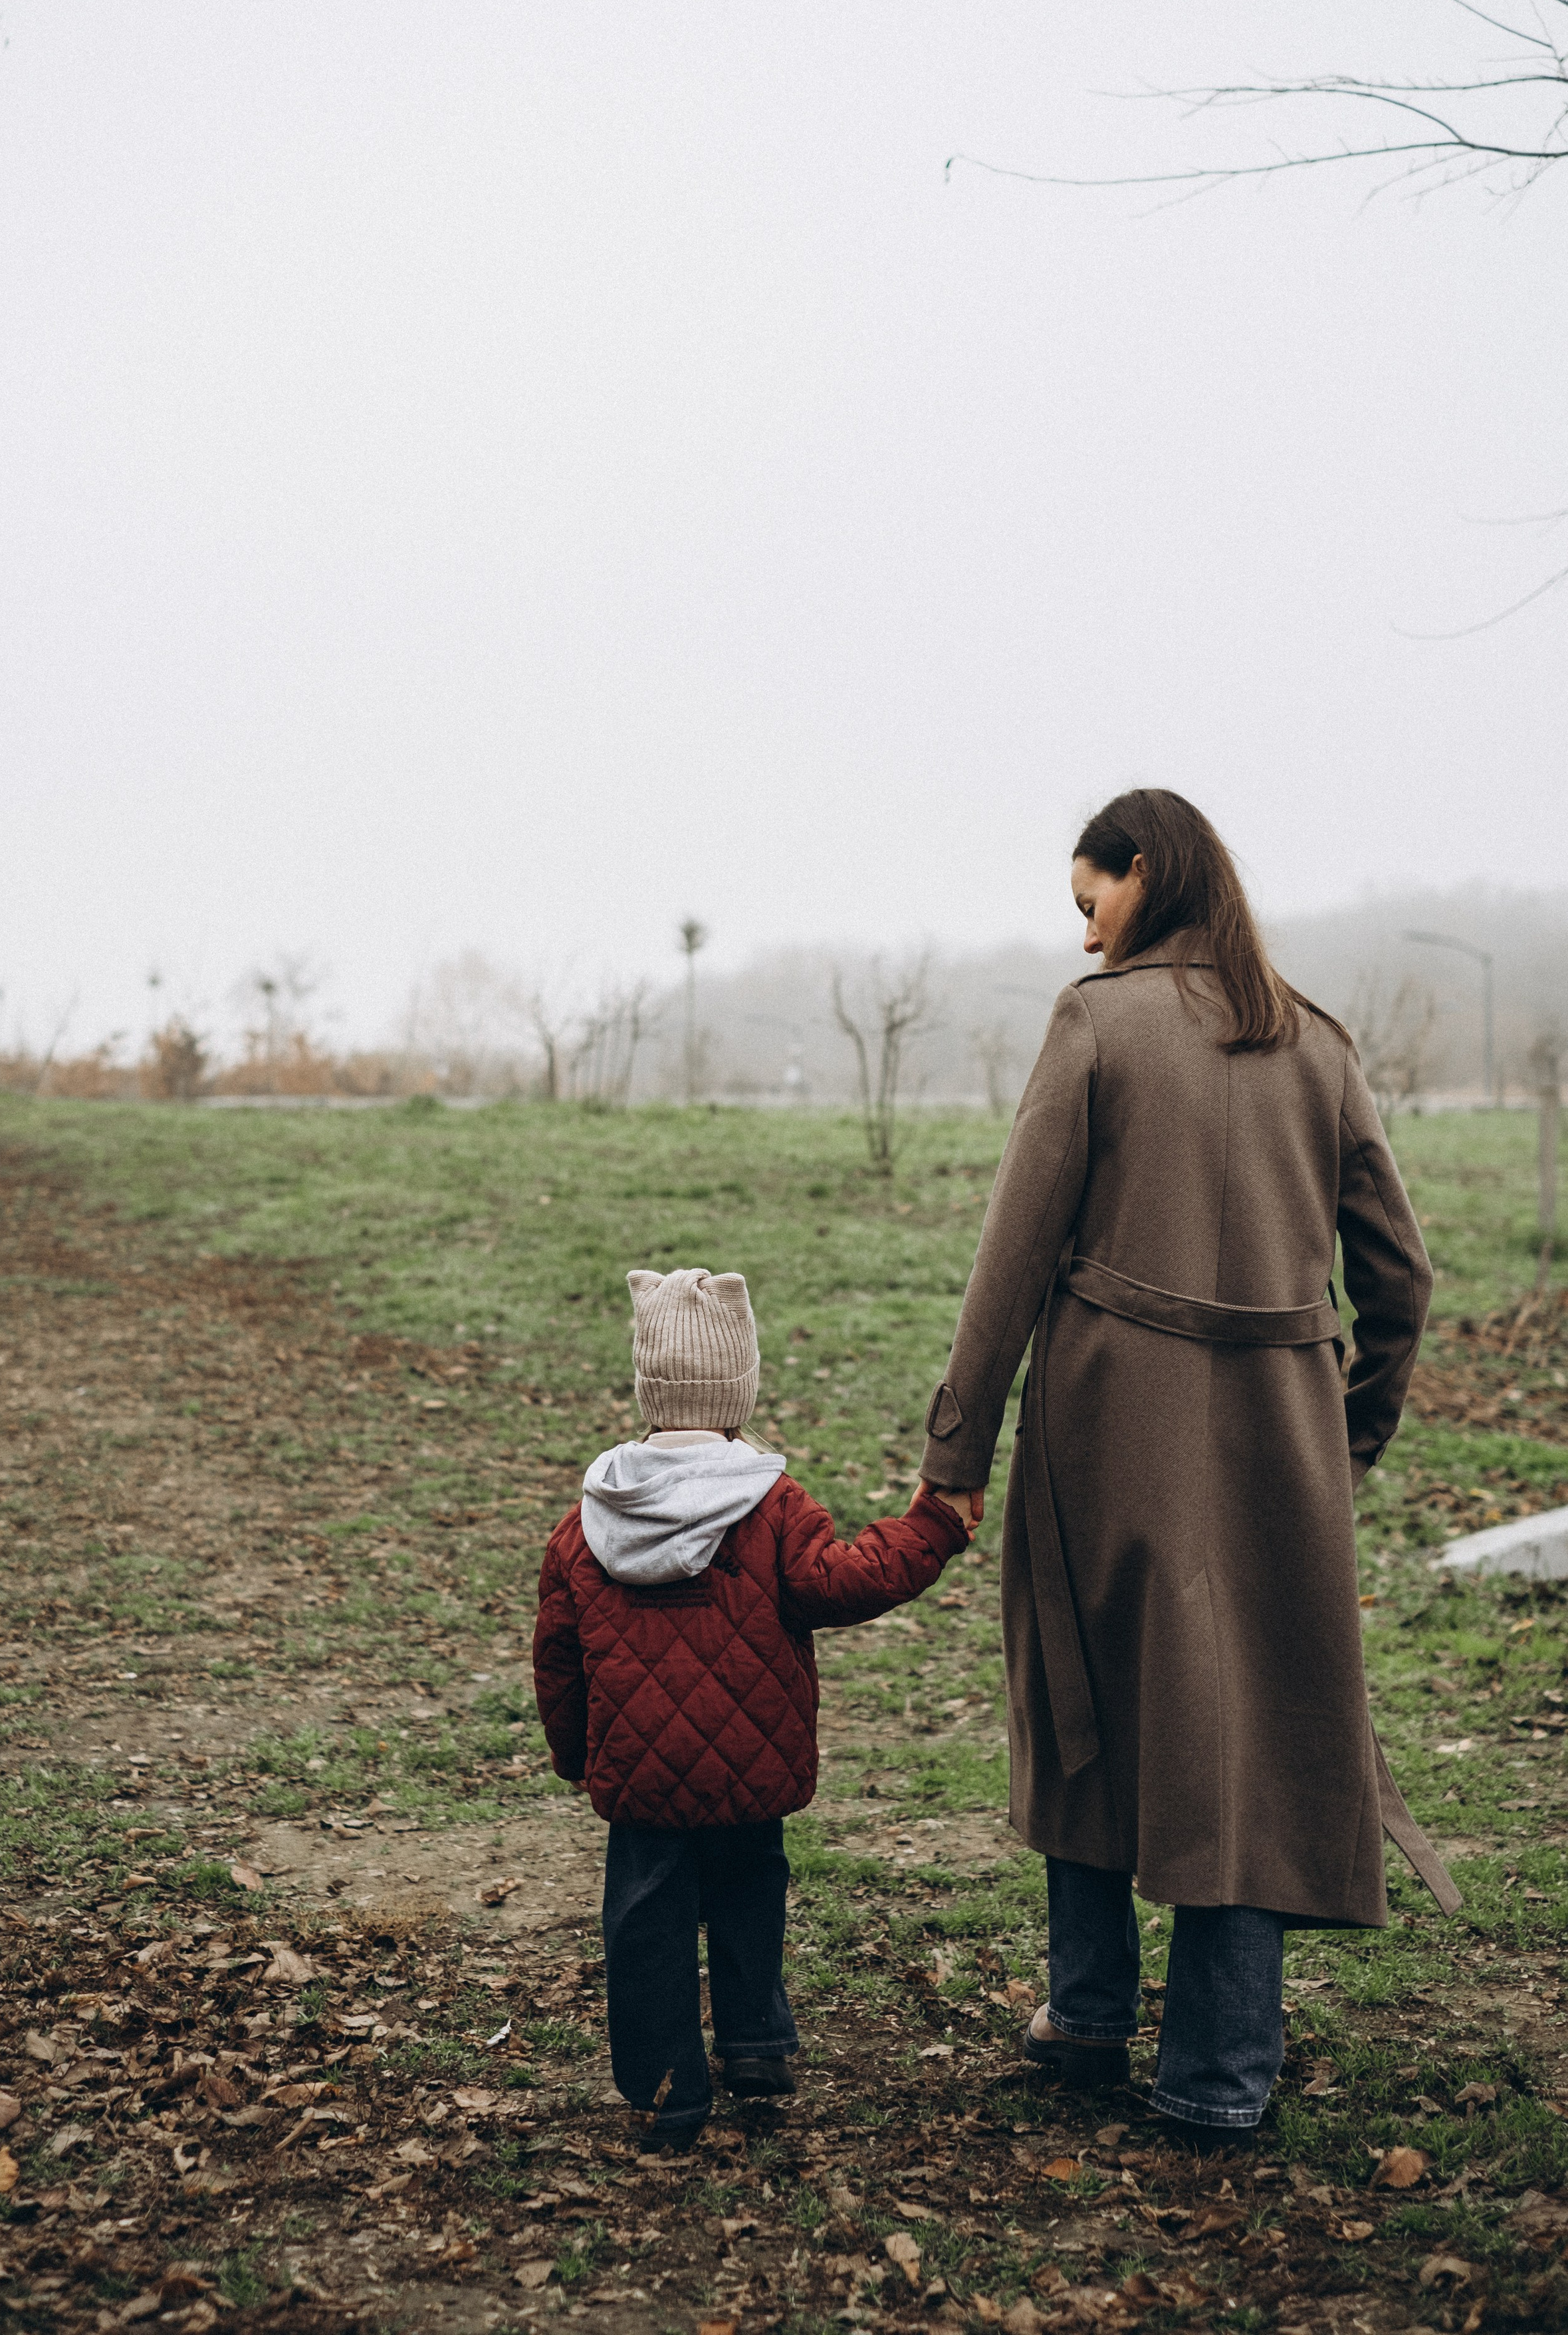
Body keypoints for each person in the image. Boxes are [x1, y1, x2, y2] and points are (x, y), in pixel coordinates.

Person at [918, 788, 1459, 2154]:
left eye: (1089, 896)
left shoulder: (1092, 1024)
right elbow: (1398, 1278)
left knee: (1084, 1690)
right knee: (1248, 1723)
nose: (1086, 930)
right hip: (1279, 1438)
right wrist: (1343, 1441)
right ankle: (1219, 2072)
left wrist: (953, 1451)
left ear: (1142, 873)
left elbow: (1009, 1263)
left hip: (1105, 1428)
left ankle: (1088, 2014)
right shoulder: (1316, 1043)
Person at [534, 1265, 976, 2152]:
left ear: (648, 1390)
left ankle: (666, 2092)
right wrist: (932, 1526)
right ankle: (757, 2049)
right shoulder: (771, 1506)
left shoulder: (590, 1519)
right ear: (740, 1393)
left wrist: (576, 1752)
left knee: (646, 1930)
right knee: (747, 1901)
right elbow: (851, 1578)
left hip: (644, 1784)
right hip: (751, 1768)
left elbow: (559, 1655)